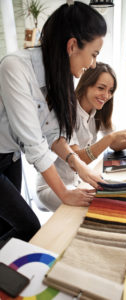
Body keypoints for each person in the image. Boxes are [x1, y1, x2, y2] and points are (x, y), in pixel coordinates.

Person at [0, 2, 108, 242]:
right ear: (72, 46)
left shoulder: (59, 75)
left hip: (10, 156)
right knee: (28, 227)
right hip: (5, 152)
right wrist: (64, 193)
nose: (92, 64)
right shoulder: (15, 67)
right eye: (93, 54)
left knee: (6, 227)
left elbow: (51, 134)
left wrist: (80, 166)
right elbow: (34, 143)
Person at [37, 62, 126, 211]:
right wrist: (110, 138)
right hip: (52, 187)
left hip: (77, 182)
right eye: (101, 88)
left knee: (119, 197)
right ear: (86, 85)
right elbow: (77, 158)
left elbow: (115, 145)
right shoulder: (68, 112)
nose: (106, 95)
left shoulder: (97, 111)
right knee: (99, 207)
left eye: (110, 91)